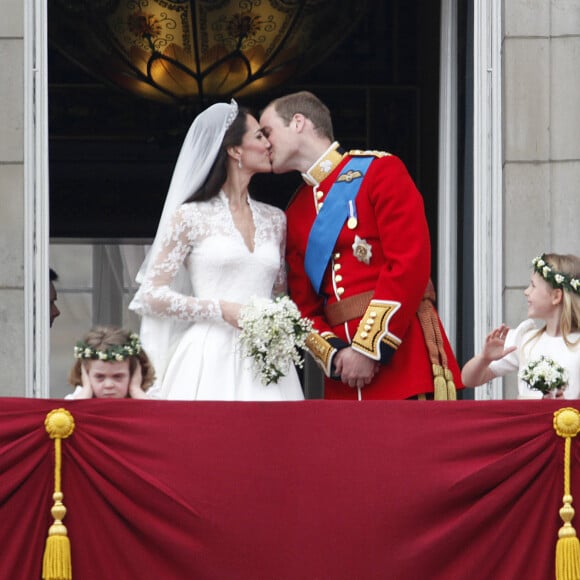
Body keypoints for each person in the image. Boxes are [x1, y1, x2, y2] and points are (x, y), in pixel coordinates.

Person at [259, 90, 462, 400]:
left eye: (268, 131)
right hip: (343, 378)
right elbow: (303, 305)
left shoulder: (379, 171)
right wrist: (336, 354)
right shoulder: (296, 211)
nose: (264, 143)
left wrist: (369, 348)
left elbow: (409, 264)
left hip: (403, 361)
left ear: (298, 123)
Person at [129, 100, 304, 401]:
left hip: (267, 360)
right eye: (259, 136)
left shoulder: (275, 219)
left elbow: (279, 295)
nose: (268, 144)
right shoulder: (190, 216)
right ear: (235, 150)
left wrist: (278, 324)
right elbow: (150, 295)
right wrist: (221, 309)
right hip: (209, 356)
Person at [461, 253, 580, 399]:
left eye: (533, 285)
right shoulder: (525, 340)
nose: (526, 292)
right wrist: (484, 359)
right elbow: (469, 380)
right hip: (528, 422)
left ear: (556, 296)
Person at [66, 326, 154, 399]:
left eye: (118, 376)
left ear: (134, 374)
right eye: (99, 376)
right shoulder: (76, 398)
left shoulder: (147, 397)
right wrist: (85, 393)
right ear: (85, 375)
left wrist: (135, 390)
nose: (108, 385)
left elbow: (157, 416)